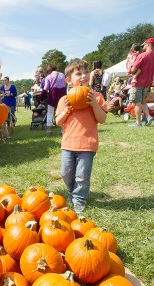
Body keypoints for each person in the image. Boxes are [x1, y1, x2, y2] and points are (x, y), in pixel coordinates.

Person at [55, 59, 107, 214]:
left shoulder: (96, 97)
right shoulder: (64, 100)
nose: (83, 76)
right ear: (69, 80)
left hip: (87, 145)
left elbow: (102, 119)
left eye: (85, 72)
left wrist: (94, 105)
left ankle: (79, 199)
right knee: (66, 173)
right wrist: (66, 111)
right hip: (68, 145)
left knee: (82, 177)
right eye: (78, 74)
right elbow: (58, 122)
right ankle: (72, 193)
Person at [128, 37, 154, 127]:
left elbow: (133, 69)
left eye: (144, 45)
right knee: (142, 102)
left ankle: (145, 118)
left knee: (136, 102)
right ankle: (142, 120)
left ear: (148, 44)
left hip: (137, 82)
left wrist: (131, 69)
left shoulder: (142, 55)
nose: (143, 47)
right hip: (147, 82)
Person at [40, 64, 67, 134]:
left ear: (49, 71)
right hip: (62, 96)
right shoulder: (63, 75)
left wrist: (42, 97)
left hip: (53, 96)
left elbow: (45, 88)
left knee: (50, 113)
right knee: (63, 113)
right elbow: (65, 84)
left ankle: (49, 130)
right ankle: (63, 130)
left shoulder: (48, 77)